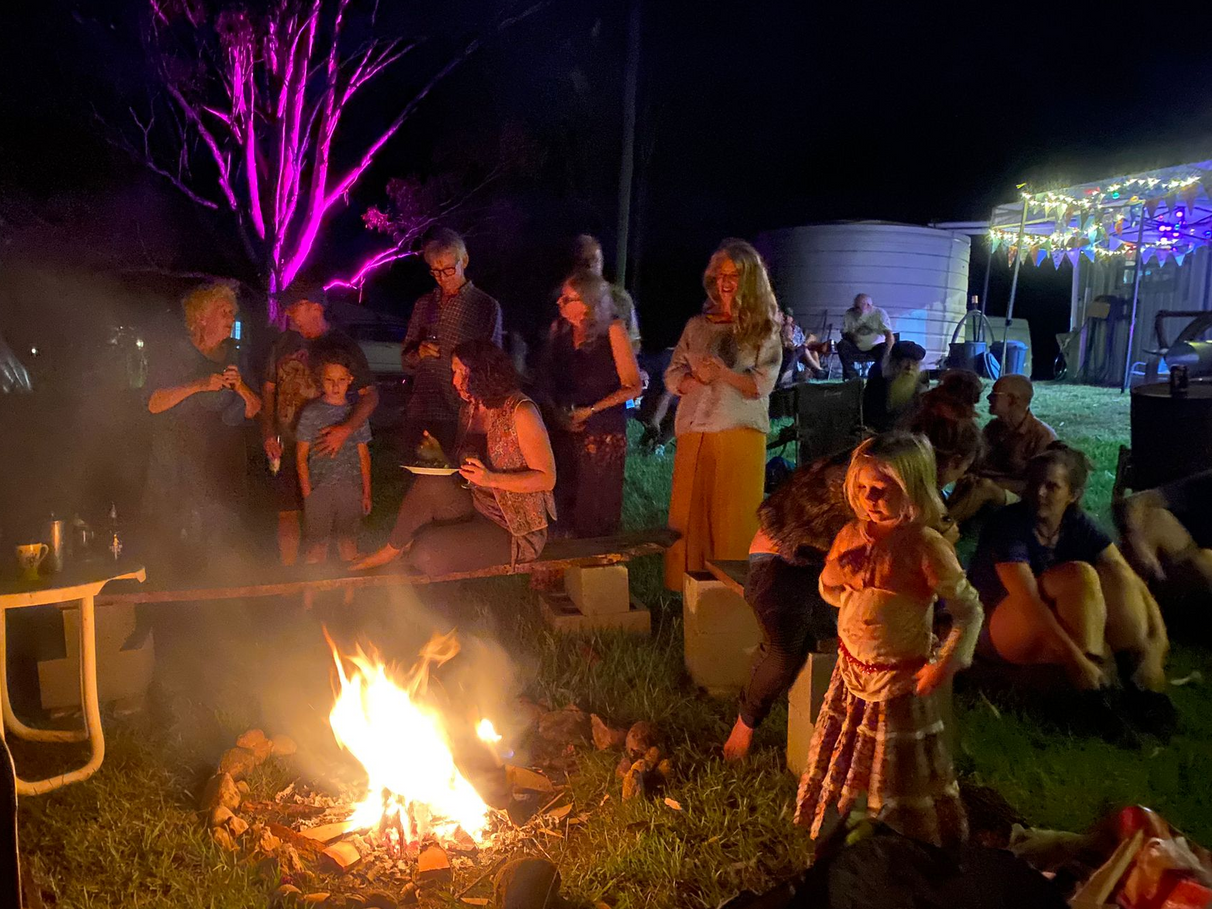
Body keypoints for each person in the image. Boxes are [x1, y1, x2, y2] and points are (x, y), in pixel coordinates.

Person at [794, 433, 982, 848]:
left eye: (883, 488)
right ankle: (843, 826)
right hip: (852, 671)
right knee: (851, 752)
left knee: (894, 765)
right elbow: (833, 591)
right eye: (862, 487)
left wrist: (945, 663)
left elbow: (969, 610)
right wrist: (835, 575)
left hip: (898, 677)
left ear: (912, 488)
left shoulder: (923, 546)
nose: (870, 498)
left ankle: (900, 835)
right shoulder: (850, 534)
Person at [968, 445, 1169, 694]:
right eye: (1034, 484)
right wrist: (1077, 660)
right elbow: (1029, 602)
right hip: (996, 626)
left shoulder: (1076, 522)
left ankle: (1134, 667)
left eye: (1051, 486)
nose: (1039, 493)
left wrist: (1157, 646)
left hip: (1042, 622)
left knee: (1117, 575)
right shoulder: (1009, 525)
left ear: (1072, 495)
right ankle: (1093, 683)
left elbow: (1129, 579)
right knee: (1080, 575)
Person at [352, 340, 556, 574]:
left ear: (483, 372)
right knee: (430, 484)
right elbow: (468, 471)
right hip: (477, 506)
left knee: (426, 553)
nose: (455, 381)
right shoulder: (469, 409)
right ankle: (390, 550)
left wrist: (491, 479)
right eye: (453, 372)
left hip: (513, 527)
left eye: (461, 372)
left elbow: (546, 479)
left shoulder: (521, 411)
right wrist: (439, 455)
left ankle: (413, 564)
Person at [663, 239, 782, 591]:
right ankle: (690, 592)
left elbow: (761, 384)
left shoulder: (763, 330)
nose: (725, 282)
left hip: (738, 432)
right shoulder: (697, 325)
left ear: (750, 279)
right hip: (694, 431)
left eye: (734, 275)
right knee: (690, 519)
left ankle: (731, 594)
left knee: (732, 520)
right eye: (720, 275)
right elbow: (672, 374)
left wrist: (723, 374)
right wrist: (693, 380)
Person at [142, 282, 261, 572]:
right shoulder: (175, 353)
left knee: (222, 542)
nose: (230, 318)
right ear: (202, 317)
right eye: (224, 312)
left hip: (222, 464)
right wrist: (199, 385)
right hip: (176, 462)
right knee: (173, 542)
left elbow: (254, 408)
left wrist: (241, 386)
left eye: (232, 313)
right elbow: (154, 403)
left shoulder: (234, 355)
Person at [262, 285, 378, 566]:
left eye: (294, 307)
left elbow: (370, 395)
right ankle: (292, 576)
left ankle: (339, 575)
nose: (289, 314)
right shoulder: (284, 344)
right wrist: (268, 432)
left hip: (327, 448)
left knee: (334, 518)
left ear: (316, 308)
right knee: (288, 511)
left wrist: (346, 430)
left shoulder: (342, 346)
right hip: (289, 442)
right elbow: (268, 390)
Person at [539, 270, 642, 538]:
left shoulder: (613, 331)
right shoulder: (560, 331)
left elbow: (633, 386)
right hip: (565, 429)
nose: (560, 302)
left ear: (588, 302)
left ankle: (597, 560)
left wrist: (591, 410)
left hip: (601, 431)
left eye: (567, 298)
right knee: (563, 506)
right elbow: (548, 379)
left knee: (594, 510)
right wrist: (558, 413)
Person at [401, 229, 503, 455]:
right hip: (423, 409)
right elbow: (406, 361)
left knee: (457, 472)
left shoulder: (485, 307)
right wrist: (418, 353)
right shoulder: (424, 304)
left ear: (463, 261)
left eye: (448, 269)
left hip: (461, 413)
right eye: (435, 272)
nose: (442, 277)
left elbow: (493, 368)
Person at [296, 350, 373, 565]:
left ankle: (349, 586)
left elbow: (364, 455)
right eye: (330, 380)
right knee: (317, 548)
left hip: (350, 488)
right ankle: (312, 587)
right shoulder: (311, 413)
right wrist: (308, 494)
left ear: (350, 380)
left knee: (348, 544)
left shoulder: (356, 415)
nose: (335, 386)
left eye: (341, 380)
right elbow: (301, 457)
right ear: (321, 380)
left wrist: (366, 492)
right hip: (320, 489)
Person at [1115, 469, 1212, 640]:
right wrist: (1139, 544)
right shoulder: (1205, 483)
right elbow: (1136, 502)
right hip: (1189, 579)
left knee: (1206, 557)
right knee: (1156, 519)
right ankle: (1133, 616)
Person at [947, 374, 1056, 524]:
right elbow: (977, 462)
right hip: (987, 485)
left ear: (1012, 400)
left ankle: (944, 526)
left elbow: (1038, 484)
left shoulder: (1042, 436)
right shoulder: (993, 428)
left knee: (984, 487)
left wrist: (995, 483)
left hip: (1021, 497)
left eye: (994, 395)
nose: (988, 398)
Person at [572, 234, 642, 354]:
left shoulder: (619, 298)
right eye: (584, 261)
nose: (590, 266)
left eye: (594, 259)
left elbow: (634, 343)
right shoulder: (564, 300)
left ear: (601, 261)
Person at [862, 340, 927, 432]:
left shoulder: (921, 393)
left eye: (914, 363)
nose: (909, 367)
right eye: (905, 361)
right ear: (893, 363)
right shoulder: (875, 386)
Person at [837, 293, 894, 379]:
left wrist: (888, 354)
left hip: (876, 348)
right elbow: (845, 333)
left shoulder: (879, 313)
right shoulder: (849, 313)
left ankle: (879, 376)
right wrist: (851, 336)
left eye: (858, 307)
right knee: (842, 345)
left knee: (884, 348)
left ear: (868, 306)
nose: (855, 309)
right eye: (854, 306)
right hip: (856, 347)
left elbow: (889, 335)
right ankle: (852, 377)